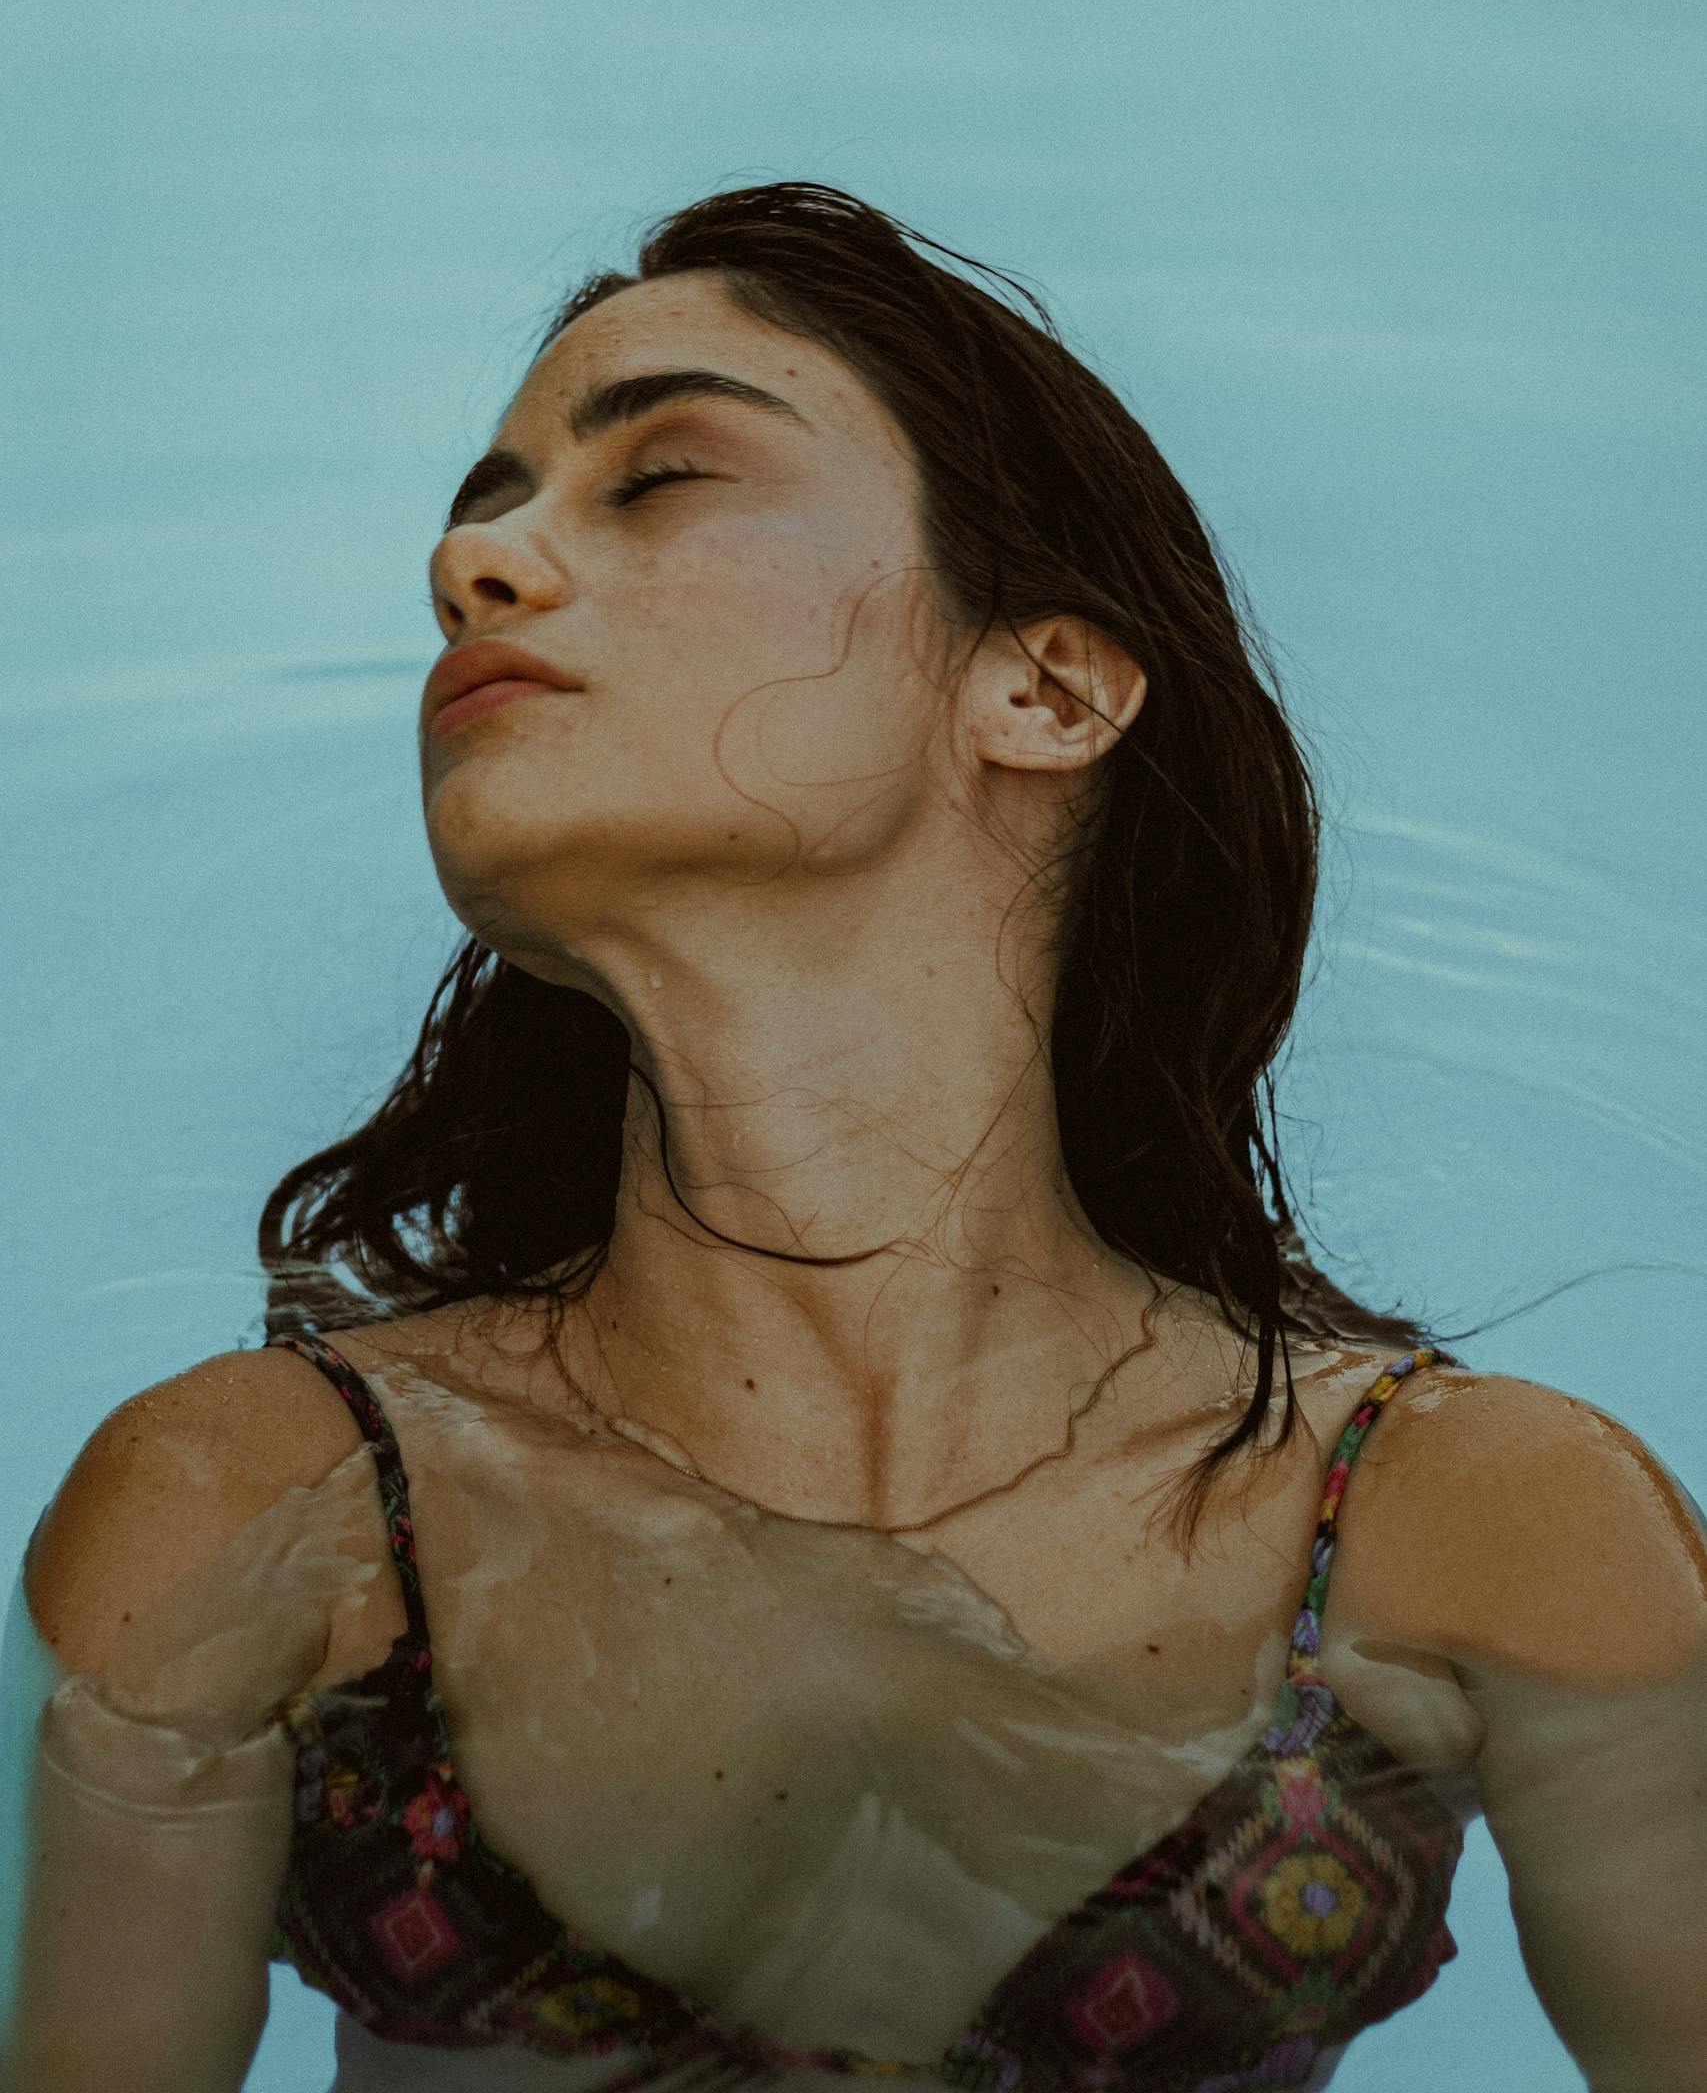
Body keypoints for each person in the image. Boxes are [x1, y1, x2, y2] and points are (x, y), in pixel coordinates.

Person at [3, 183, 1704, 2093]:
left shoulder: (1490, 1534)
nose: (469, 563)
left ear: (1040, 688)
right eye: (486, 507)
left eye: (660, 478)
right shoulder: (245, 1518)